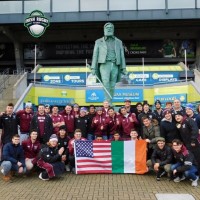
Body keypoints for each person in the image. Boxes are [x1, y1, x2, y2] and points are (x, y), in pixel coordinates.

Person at [91, 22, 127, 104]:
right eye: (107, 28)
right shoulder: (98, 41)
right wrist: (93, 67)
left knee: (112, 84)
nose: (109, 29)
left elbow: (122, 55)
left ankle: (109, 101)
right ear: (104, 29)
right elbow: (95, 55)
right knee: (105, 82)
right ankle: (107, 101)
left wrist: (123, 67)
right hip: (104, 64)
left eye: (111, 27)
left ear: (113, 30)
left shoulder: (118, 42)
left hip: (115, 65)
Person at [174, 111, 200, 176]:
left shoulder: (188, 120)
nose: (177, 117)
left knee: (197, 159)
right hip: (188, 145)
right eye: (176, 116)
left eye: (179, 116)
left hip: (194, 144)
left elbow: (195, 129)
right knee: (192, 160)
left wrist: (193, 141)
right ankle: (195, 174)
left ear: (182, 115)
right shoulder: (181, 124)